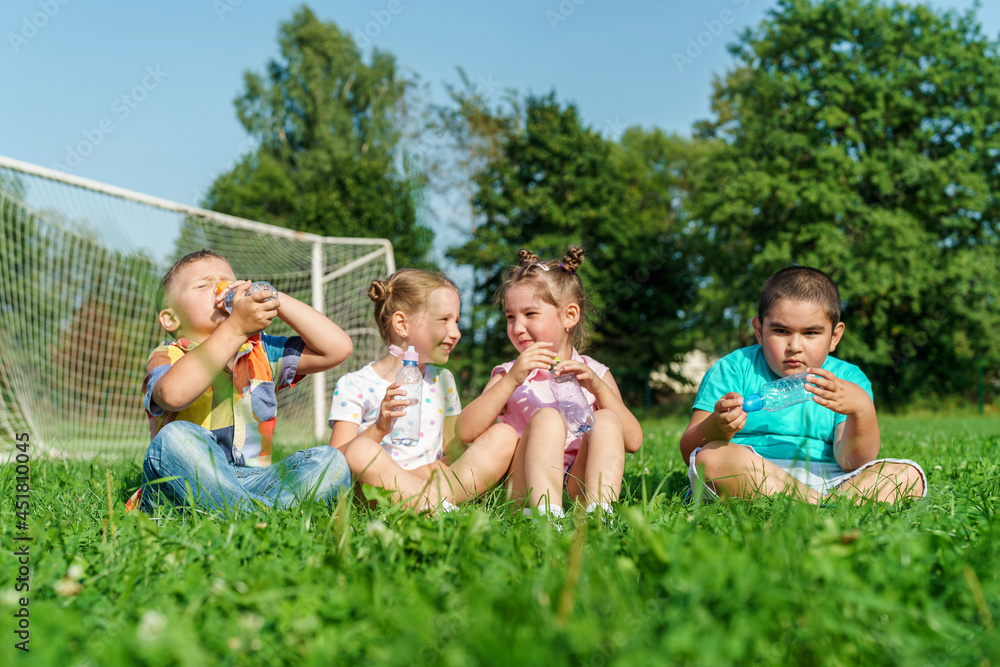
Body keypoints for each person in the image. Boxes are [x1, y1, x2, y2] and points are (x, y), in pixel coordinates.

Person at [126, 249, 353, 514]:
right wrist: (236, 328)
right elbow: (173, 394)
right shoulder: (169, 355)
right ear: (171, 319)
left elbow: (337, 348)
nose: (221, 289)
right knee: (174, 440)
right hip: (186, 480)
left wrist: (272, 297)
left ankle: (243, 513)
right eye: (203, 284)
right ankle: (261, 517)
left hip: (257, 481)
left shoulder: (262, 352)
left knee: (331, 461)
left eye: (228, 281)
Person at [680, 266, 926, 504]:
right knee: (711, 458)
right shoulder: (734, 368)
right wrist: (718, 426)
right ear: (758, 330)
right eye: (781, 330)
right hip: (753, 475)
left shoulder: (847, 380)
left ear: (835, 336)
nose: (794, 346)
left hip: (830, 480)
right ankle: (827, 508)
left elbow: (853, 462)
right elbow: (689, 450)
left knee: (907, 475)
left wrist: (861, 410)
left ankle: (814, 503)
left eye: (810, 333)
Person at [456, 247, 643, 521]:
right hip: (524, 487)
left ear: (569, 316)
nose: (517, 327)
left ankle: (599, 512)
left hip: (578, 483)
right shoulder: (509, 374)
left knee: (606, 420)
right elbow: (465, 432)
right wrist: (511, 380)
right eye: (510, 316)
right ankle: (546, 516)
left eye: (530, 314)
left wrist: (599, 390)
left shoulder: (595, 373)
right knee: (547, 419)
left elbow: (634, 440)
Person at [329, 269, 518, 510]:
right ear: (402, 324)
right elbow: (333, 463)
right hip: (378, 488)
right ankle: (435, 505)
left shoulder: (444, 381)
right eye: (444, 320)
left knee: (504, 435)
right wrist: (378, 429)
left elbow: (454, 451)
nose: (456, 333)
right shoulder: (355, 384)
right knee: (360, 451)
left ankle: (428, 504)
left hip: (433, 480)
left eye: (457, 321)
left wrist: (426, 471)